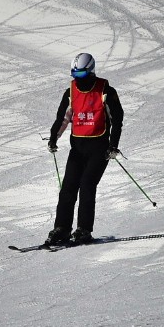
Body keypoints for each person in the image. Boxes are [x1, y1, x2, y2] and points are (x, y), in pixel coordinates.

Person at [45, 52, 124, 245]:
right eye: (74, 75)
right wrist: (54, 137)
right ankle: (61, 229)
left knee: (87, 186)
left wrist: (113, 145)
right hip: (78, 149)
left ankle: (83, 230)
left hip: (100, 149)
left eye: (81, 75)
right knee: (68, 188)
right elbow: (63, 118)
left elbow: (117, 119)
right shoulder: (71, 92)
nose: (77, 80)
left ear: (91, 71)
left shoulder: (105, 91)